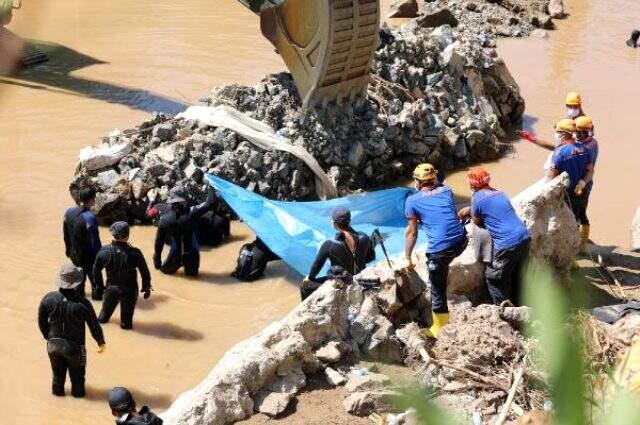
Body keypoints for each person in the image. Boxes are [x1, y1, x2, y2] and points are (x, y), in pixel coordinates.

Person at [404, 163, 467, 338]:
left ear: (417, 181)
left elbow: (412, 232)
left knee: (437, 287)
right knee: (442, 262)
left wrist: (407, 257)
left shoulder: (412, 201)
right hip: (461, 241)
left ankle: (439, 328)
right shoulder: (447, 190)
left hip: (441, 250)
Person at [459, 168, 531, 306]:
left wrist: (469, 211)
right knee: (519, 277)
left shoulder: (477, 198)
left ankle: (506, 313)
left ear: (473, 184)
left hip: (506, 244)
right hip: (524, 237)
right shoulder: (500, 193)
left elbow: (477, 221)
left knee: (494, 278)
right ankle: (522, 307)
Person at [37, 262, 106, 398]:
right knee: (78, 379)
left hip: (53, 346)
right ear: (77, 283)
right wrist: (100, 341)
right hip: (75, 349)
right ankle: (78, 401)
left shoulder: (48, 299)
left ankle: (57, 403)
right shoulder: (83, 304)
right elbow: (94, 325)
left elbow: (41, 321)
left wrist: (48, 337)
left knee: (57, 376)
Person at [301, 207, 375, 300]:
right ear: (349, 220)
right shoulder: (364, 236)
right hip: (362, 281)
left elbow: (313, 273)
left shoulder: (329, 244)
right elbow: (371, 257)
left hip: (343, 284)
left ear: (334, 223)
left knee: (305, 286)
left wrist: (308, 278)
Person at [94, 222, 152, 330]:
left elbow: (96, 270)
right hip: (130, 291)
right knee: (126, 324)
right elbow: (145, 272)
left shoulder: (104, 251)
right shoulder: (135, 253)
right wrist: (146, 287)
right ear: (128, 235)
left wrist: (99, 287)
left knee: (103, 318)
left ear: (113, 235)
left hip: (111, 289)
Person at [548, 119, 594, 251]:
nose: (556, 135)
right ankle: (581, 246)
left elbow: (551, 177)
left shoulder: (559, 153)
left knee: (565, 225)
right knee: (580, 217)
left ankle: (569, 256)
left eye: (557, 132)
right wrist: (583, 182)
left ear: (563, 134)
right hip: (582, 192)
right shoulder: (584, 149)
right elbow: (590, 170)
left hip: (566, 196)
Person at [153, 189, 215, 277]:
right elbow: (209, 203)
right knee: (193, 280)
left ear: (170, 202)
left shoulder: (164, 220)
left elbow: (159, 242)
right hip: (192, 253)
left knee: (165, 274)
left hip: (175, 254)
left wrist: (157, 259)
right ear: (183, 201)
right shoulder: (192, 213)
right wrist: (211, 188)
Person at [63, 186, 102, 299]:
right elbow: (95, 241)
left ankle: (80, 308)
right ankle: (97, 304)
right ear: (91, 200)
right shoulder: (89, 217)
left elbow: (66, 235)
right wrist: (99, 257)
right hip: (89, 257)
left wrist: (68, 251)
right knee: (96, 284)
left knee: (79, 285)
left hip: (74, 255)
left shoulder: (68, 212)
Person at [517, 91, 587, 150]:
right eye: (569, 106)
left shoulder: (583, 124)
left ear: (579, 105)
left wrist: (531, 139)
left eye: (575, 106)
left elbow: (556, 148)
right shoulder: (570, 116)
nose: (572, 109)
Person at [573, 116, 598, 252]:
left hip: (580, 186)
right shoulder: (593, 142)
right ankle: (582, 243)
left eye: (578, 132)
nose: (576, 134)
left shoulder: (583, 148)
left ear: (583, 132)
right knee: (581, 213)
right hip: (587, 185)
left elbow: (589, 169)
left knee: (577, 215)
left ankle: (579, 244)